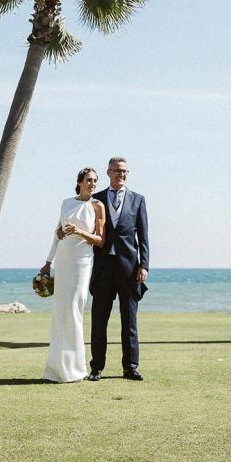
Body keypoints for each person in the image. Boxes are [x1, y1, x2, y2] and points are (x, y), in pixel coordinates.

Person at [86, 156, 149, 381]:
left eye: (124, 172)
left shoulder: (138, 200)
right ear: (108, 172)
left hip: (129, 268)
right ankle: (96, 368)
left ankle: (130, 367)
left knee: (129, 321)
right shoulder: (96, 199)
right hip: (102, 268)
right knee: (99, 319)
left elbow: (143, 236)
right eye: (117, 171)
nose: (121, 175)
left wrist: (144, 265)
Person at [41, 166, 105, 382]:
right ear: (79, 182)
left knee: (75, 308)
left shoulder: (98, 206)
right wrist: (48, 263)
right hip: (64, 259)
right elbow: (56, 234)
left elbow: (100, 240)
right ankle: (56, 369)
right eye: (89, 180)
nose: (93, 184)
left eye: (95, 180)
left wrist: (79, 231)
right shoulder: (66, 203)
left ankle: (76, 369)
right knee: (60, 312)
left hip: (82, 261)